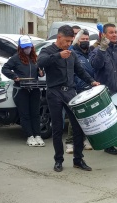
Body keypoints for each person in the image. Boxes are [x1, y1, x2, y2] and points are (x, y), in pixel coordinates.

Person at [38, 25, 100, 172]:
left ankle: (78, 159)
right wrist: (58, 56)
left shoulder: (71, 54)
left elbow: (80, 71)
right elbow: (40, 62)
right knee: (58, 128)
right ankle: (58, 160)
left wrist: (92, 81)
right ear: (59, 37)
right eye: (66, 41)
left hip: (70, 92)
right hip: (54, 93)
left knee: (78, 127)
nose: (68, 44)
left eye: (70, 41)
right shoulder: (47, 50)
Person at [89, 23, 117, 155]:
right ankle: (109, 145)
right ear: (104, 35)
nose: (114, 34)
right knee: (109, 122)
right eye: (111, 32)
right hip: (106, 92)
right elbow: (95, 65)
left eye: (115, 32)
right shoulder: (97, 50)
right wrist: (102, 49)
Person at [2, 35, 45, 147]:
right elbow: (5, 68)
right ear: (21, 48)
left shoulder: (35, 58)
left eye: (29, 47)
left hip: (34, 88)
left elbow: (41, 71)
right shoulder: (15, 58)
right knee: (24, 114)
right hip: (21, 90)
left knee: (35, 113)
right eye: (25, 47)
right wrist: (14, 76)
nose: (28, 49)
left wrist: (41, 73)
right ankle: (29, 136)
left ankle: (37, 135)